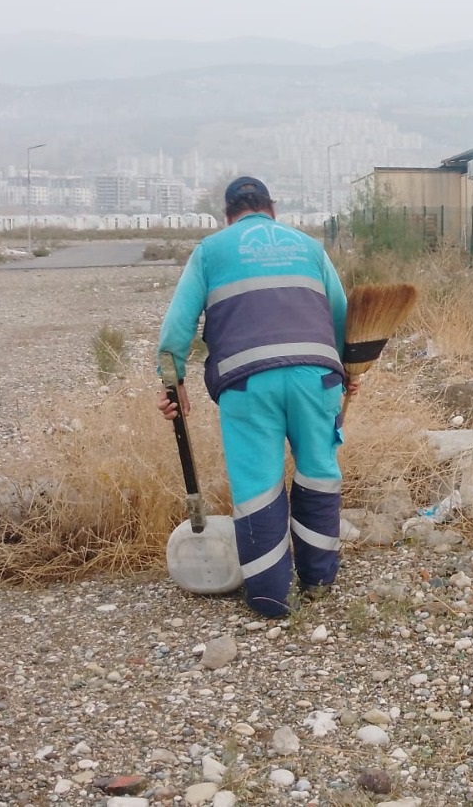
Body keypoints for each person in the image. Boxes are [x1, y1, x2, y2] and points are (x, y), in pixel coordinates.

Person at [156, 176, 355, 617]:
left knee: (258, 486)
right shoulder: (309, 247)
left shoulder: (211, 250)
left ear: (228, 216)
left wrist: (173, 383)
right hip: (315, 378)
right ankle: (319, 581)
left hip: (247, 383)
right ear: (273, 210)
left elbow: (177, 326)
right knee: (319, 472)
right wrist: (346, 368)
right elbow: (341, 314)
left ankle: (270, 598)